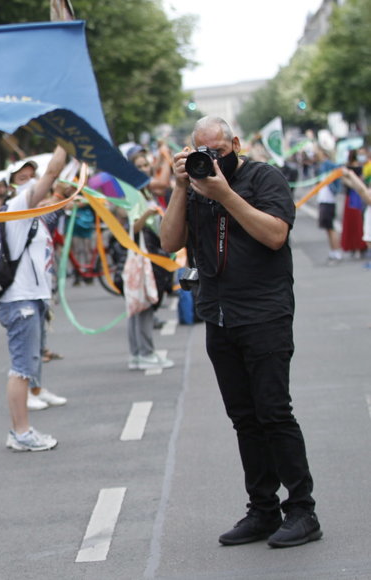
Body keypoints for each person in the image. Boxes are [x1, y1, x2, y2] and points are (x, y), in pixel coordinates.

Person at [160, 116, 321, 548]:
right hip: (218, 313)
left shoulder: (263, 178)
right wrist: (180, 188)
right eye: (201, 153)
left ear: (235, 144)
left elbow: (274, 236)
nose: (210, 161)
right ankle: (263, 509)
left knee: (273, 411)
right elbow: (168, 241)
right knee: (244, 419)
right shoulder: (192, 187)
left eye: (219, 152)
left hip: (265, 313)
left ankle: (302, 510)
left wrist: (225, 194)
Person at [0, 145, 68, 450]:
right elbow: (53, 173)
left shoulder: (33, 213)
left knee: (28, 364)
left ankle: (22, 429)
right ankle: (20, 432)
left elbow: (60, 187)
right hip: (20, 300)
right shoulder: (17, 205)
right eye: (21, 178)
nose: (29, 181)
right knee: (21, 368)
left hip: (32, 298)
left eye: (31, 176)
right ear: (12, 185)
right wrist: (66, 140)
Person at [124, 145, 174, 371]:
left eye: (146, 165)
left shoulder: (143, 190)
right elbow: (132, 226)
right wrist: (149, 213)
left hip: (147, 252)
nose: (144, 169)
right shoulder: (133, 192)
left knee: (140, 305)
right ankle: (144, 352)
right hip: (141, 254)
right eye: (139, 166)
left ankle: (140, 353)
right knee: (142, 305)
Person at [313, 147, 343, 265]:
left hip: (328, 200)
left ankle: (336, 252)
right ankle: (332, 251)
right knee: (327, 228)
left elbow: (335, 180)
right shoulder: (322, 166)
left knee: (330, 227)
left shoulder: (328, 165)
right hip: (324, 199)